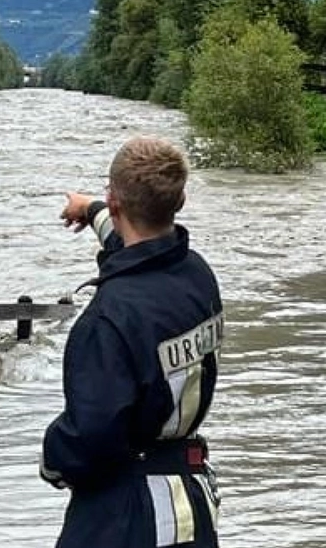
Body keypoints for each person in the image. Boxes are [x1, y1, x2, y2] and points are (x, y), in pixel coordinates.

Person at [41, 136, 224, 548]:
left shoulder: (107, 320)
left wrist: (51, 462)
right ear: (180, 201)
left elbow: (90, 438)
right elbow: (134, 244)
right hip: (191, 499)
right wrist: (90, 210)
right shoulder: (196, 275)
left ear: (116, 199)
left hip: (125, 515)